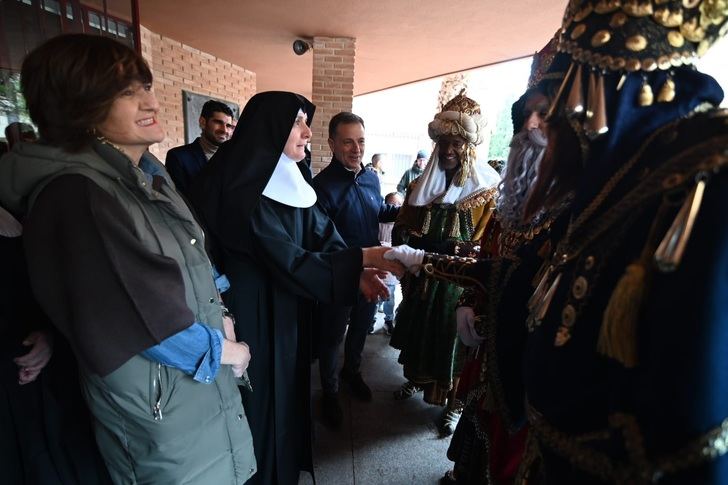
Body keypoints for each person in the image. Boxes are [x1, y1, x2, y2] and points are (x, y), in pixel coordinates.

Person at [391, 0, 728, 480]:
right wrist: (433, 268)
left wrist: (428, 263)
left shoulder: (701, 175)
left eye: (548, 107)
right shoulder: (605, 180)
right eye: (527, 114)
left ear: (595, 85)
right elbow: (515, 266)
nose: (536, 126)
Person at [0, 34, 256, 484]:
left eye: (146, 86)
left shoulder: (142, 178)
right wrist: (229, 351)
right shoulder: (78, 194)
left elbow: (192, 264)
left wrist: (223, 315)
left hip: (188, 390)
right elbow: (138, 316)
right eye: (125, 92)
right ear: (76, 107)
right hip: (160, 402)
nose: (150, 102)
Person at [190, 92, 403, 485]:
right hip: (253, 311)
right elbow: (282, 254)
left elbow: (322, 232)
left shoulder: (292, 175)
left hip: (288, 306)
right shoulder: (238, 182)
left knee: (289, 392)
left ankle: (284, 470)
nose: (308, 132)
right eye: (298, 122)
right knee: (260, 400)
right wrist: (361, 258)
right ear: (269, 129)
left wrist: (355, 268)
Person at [390, 91, 500, 436]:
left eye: (457, 143)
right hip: (423, 278)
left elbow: (485, 245)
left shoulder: (486, 191)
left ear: (469, 146)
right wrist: (414, 242)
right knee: (421, 333)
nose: (449, 150)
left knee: (453, 343)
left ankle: (454, 404)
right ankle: (418, 380)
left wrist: (451, 249)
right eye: (443, 143)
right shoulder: (421, 186)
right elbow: (402, 228)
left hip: (458, 285)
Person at [311, 112, 400, 427]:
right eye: (347, 142)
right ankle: (330, 391)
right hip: (339, 274)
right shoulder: (320, 187)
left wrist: (406, 210)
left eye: (360, 141)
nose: (356, 149)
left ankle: (352, 372)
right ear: (332, 144)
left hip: (372, 271)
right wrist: (353, 268)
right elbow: (320, 240)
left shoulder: (371, 178)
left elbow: (377, 210)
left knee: (363, 326)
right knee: (332, 335)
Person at [165, 99, 235, 199]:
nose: (224, 130)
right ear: (203, 122)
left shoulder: (235, 157)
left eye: (228, 126)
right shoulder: (178, 157)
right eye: (218, 122)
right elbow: (180, 201)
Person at [378, 191, 404, 335]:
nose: (396, 207)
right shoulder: (378, 223)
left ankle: (388, 319)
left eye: (399, 205)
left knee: (390, 296)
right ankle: (371, 320)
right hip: (378, 265)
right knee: (375, 296)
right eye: (392, 204)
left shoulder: (400, 226)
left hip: (392, 267)